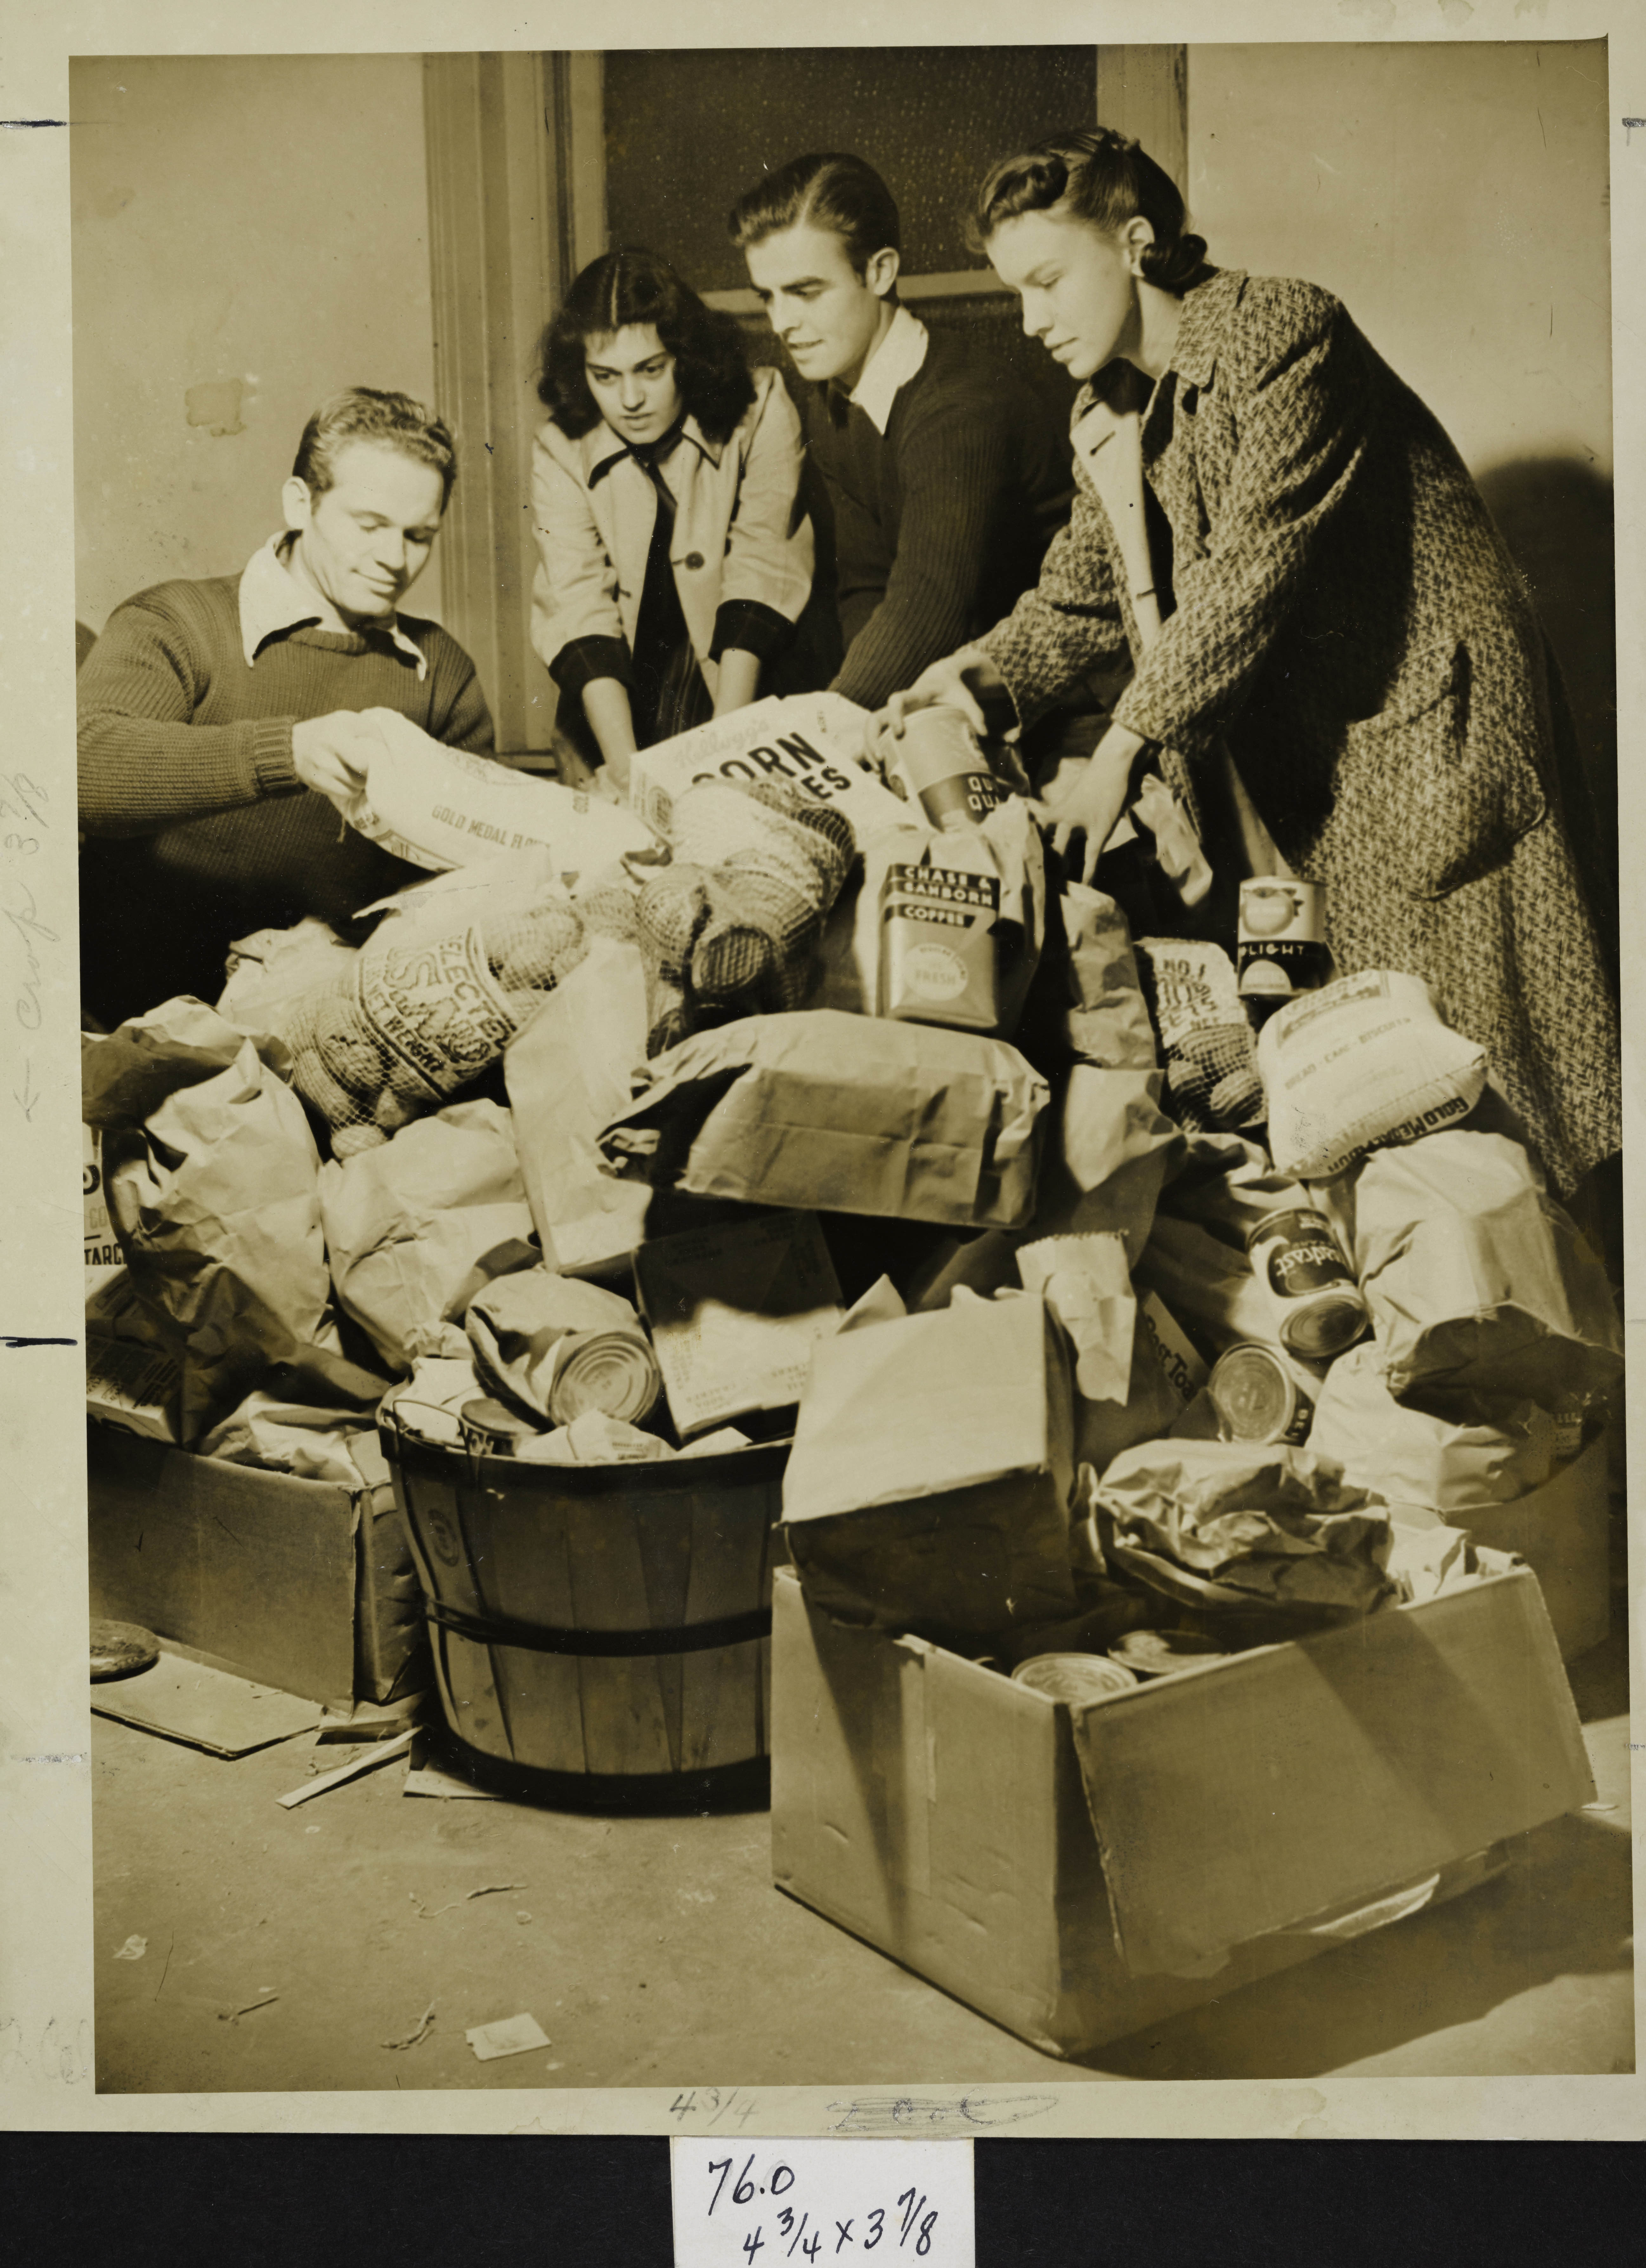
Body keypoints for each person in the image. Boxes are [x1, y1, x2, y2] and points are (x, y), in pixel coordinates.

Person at [880, 127, 1619, 1200]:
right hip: (1322, 767)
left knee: (1513, 1072)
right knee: (1387, 1080)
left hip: (1430, 735)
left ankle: (1597, 1331)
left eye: (1048, 282)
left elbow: (1249, 569)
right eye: (1017, 294)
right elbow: (1079, 596)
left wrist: (1120, 753)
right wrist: (973, 676)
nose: (1033, 321)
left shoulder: (1282, 328)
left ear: (1135, 242)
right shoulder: (1109, 413)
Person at [78, 387, 491, 1025]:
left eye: (419, 535)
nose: (395, 558)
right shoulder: (178, 621)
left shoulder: (441, 671)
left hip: (330, 1024)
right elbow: (82, 772)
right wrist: (285, 752)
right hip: (135, 1021)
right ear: (300, 503)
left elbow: (467, 879)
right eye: (370, 524)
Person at [728, 152, 1075, 717]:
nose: (781, 323)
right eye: (767, 295)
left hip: (1060, 708)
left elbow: (929, 610)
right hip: (948, 695)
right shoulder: (835, 393)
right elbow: (867, 583)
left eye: (806, 291)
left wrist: (833, 722)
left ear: (881, 272)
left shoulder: (961, 408)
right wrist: (857, 713)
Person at [530, 247, 816, 796]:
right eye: (605, 376)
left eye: (651, 370)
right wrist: (628, 771)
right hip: (611, 711)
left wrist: (727, 753)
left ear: (685, 357)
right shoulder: (558, 449)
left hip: (740, 689)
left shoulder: (761, 408)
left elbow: (760, 572)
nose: (630, 399)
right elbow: (579, 603)